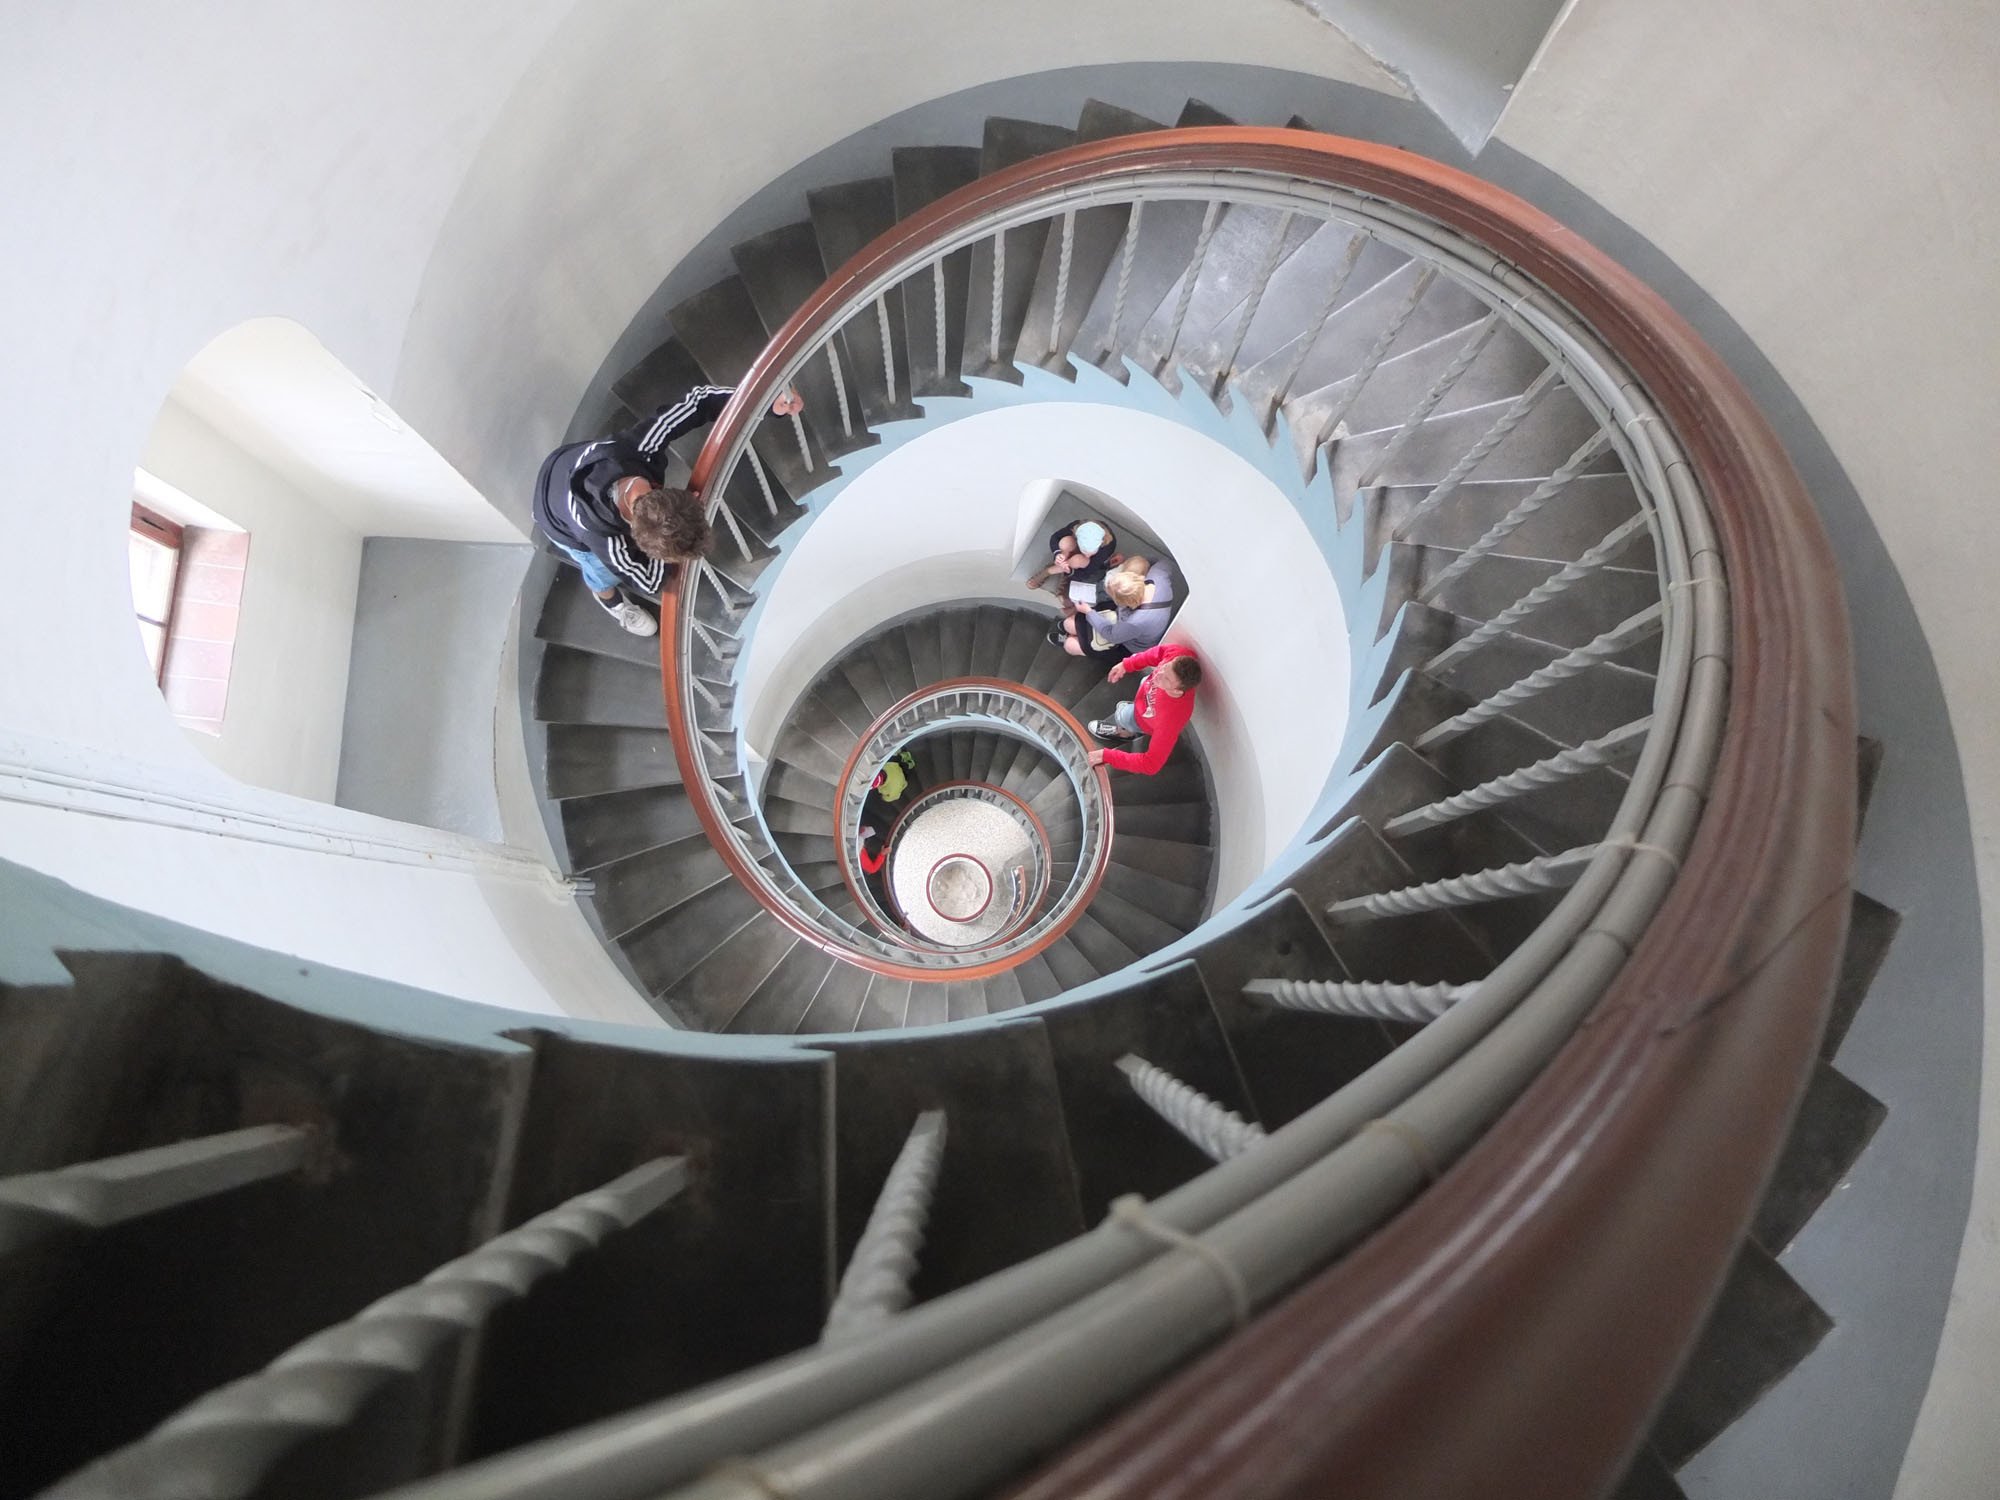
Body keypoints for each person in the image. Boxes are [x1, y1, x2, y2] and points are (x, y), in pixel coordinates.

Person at [532, 385, 803, 636]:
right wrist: (670, 554)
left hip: (563, 462)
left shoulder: (639, 449)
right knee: (599, 572)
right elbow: (649, 582)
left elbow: (699, 401)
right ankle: (611, 603)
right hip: (556, 520)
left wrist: (766, 403)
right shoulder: (607, 543)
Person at [1086, 643, 1202, 776]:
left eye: (1167, 679)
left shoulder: (1171, 720)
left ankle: (1125, 732)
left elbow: (1151, 764)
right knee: (1144, 682)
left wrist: (1108, 756)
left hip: (1143, 721)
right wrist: (1126, 664)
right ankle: (1131, 714)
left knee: (1123, 717)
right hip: (1146, 699)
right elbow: (1154, 654)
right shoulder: (1179, 654)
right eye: (1164, 667)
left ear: (1177, 690)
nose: (1158, 673)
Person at [1054, 555, 1176, 661]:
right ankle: (1070, 631)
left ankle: (1071, 639)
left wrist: (1088, 612)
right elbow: (1164, 561)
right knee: (1068, 624)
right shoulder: (1158, 574)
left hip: (1127, 645)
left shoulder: (1136, 622)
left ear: (1125, 604)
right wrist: (1129, 565)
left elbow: (1111, 635)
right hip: (1124, 623)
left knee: (1070, 645)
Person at [1026, 519, 1120, 639]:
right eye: (1086, 551)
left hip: (1081, 564)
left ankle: (1051, 571)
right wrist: (1058, 554)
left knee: (1080, 560)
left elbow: (1087, 572)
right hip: (1073, 548)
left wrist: (1070, 570)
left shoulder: (1107, 547)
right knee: (1065, 542)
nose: (1088, 555)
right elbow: (1055, 538)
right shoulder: (1076, 527)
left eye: (1091, 552)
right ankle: (1054, 568)